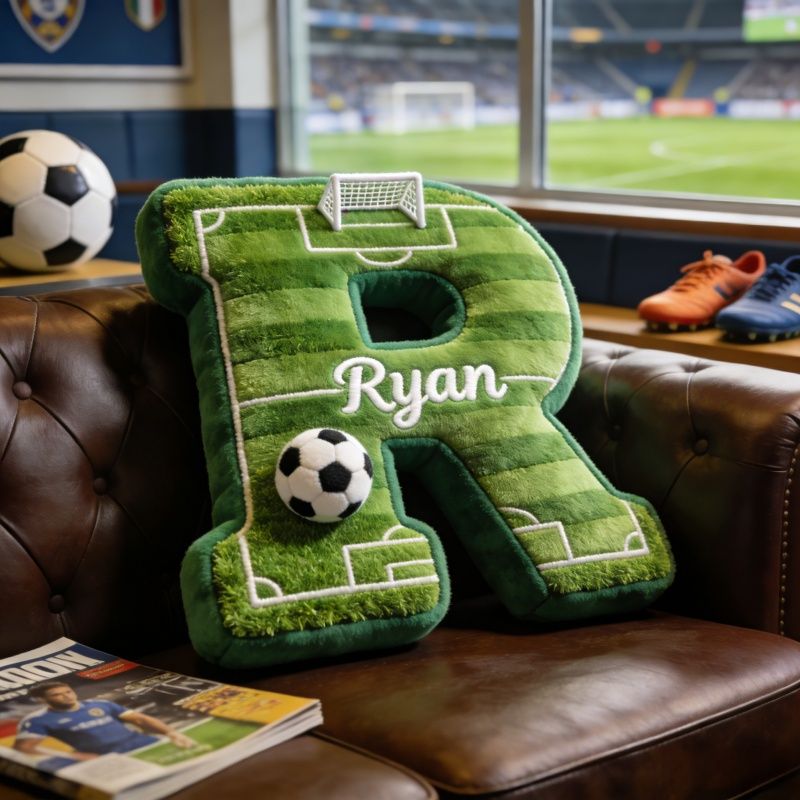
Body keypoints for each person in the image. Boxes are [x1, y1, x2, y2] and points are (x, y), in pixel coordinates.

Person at [13, 681, 195, 761]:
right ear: (42, 700)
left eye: (67, 691)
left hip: (146, 743)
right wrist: (73, 757)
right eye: (56, 695)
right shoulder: (38, 720)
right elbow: (24, 747)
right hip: (109, 757)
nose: (66, 696)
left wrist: (172, 733)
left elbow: (139, 719)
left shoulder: (100, 704)